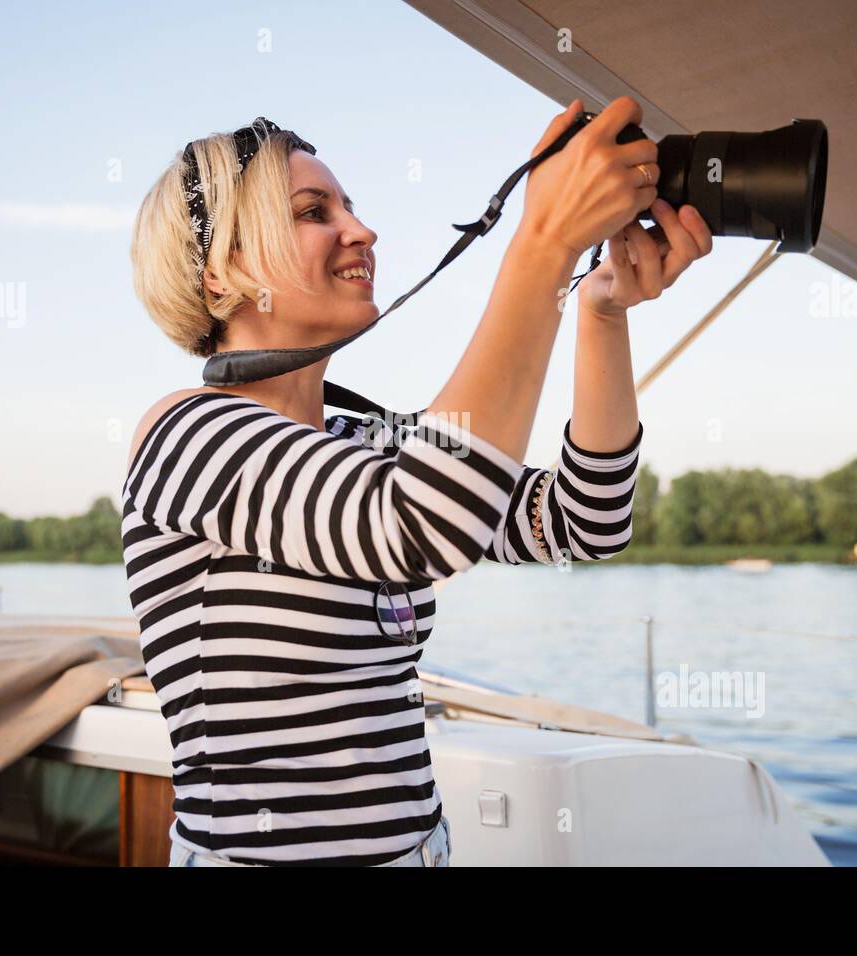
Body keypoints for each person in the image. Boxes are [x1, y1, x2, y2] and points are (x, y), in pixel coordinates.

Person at [121, 97, 712, 867]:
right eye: (312, 212)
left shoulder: (360, 442)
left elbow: (583, 522)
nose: (360, 231)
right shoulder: (186, 436)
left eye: (351, 208)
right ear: (224, 271)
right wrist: (542, 243)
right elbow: (419, 523)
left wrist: (599, 311)